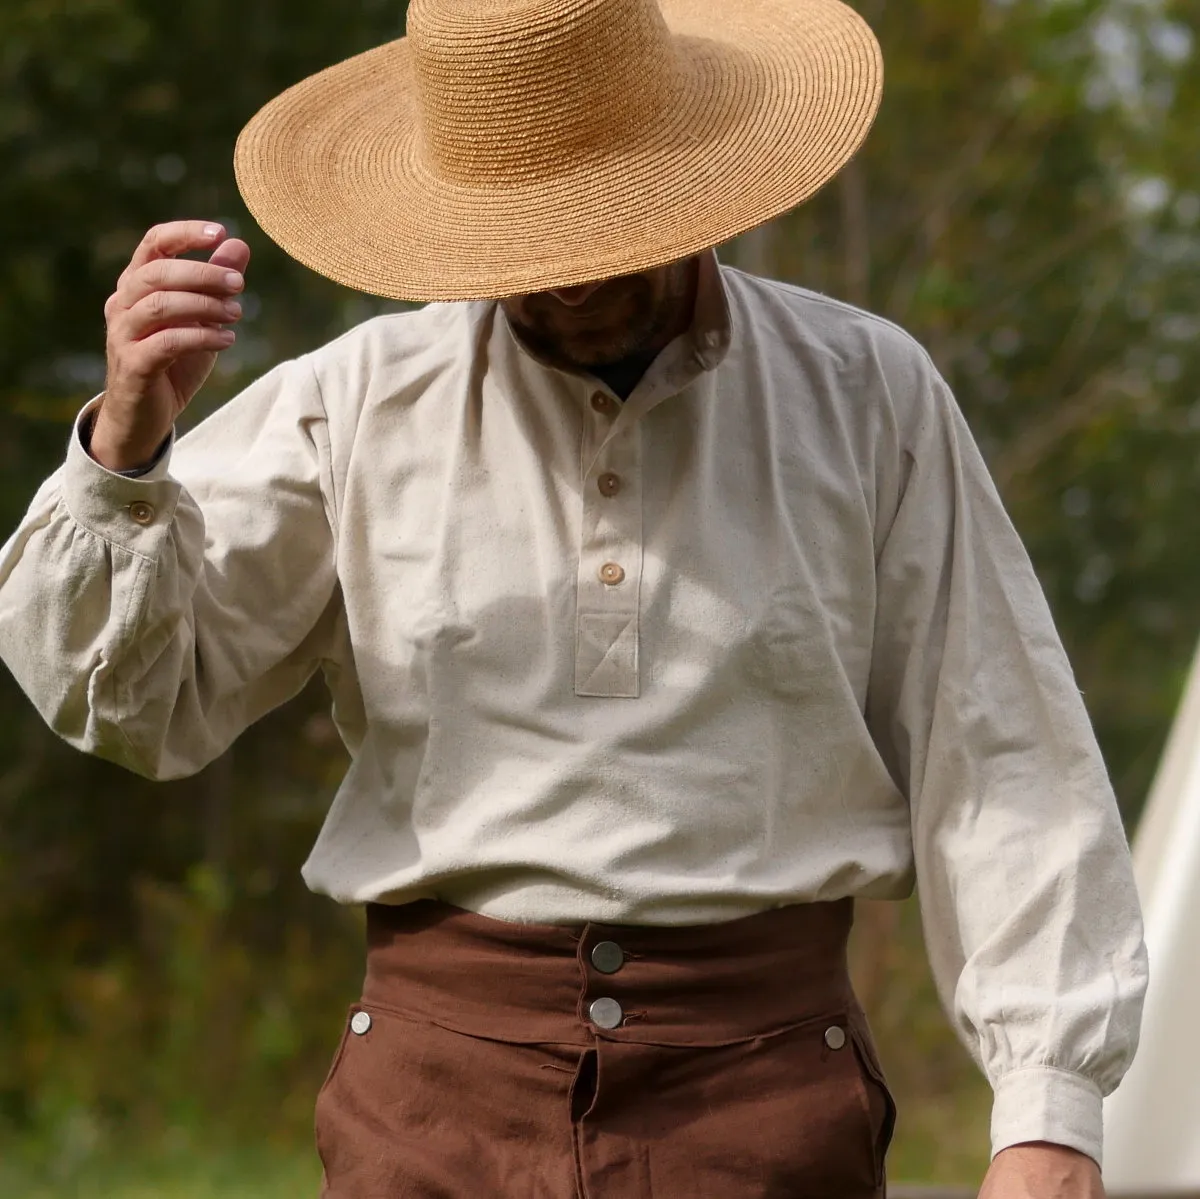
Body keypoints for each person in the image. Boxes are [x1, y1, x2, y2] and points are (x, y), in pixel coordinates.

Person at [0, 0, 1148, 1195]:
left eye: (597, 225)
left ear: (689, 177)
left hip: (769, 1107)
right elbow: (130, 706)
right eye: (523, 235)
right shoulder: (348, 406)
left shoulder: (867, 395)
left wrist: (1049, 1114)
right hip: (432, 1114)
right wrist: (127, 448)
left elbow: (1003, 750)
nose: (561, 274)